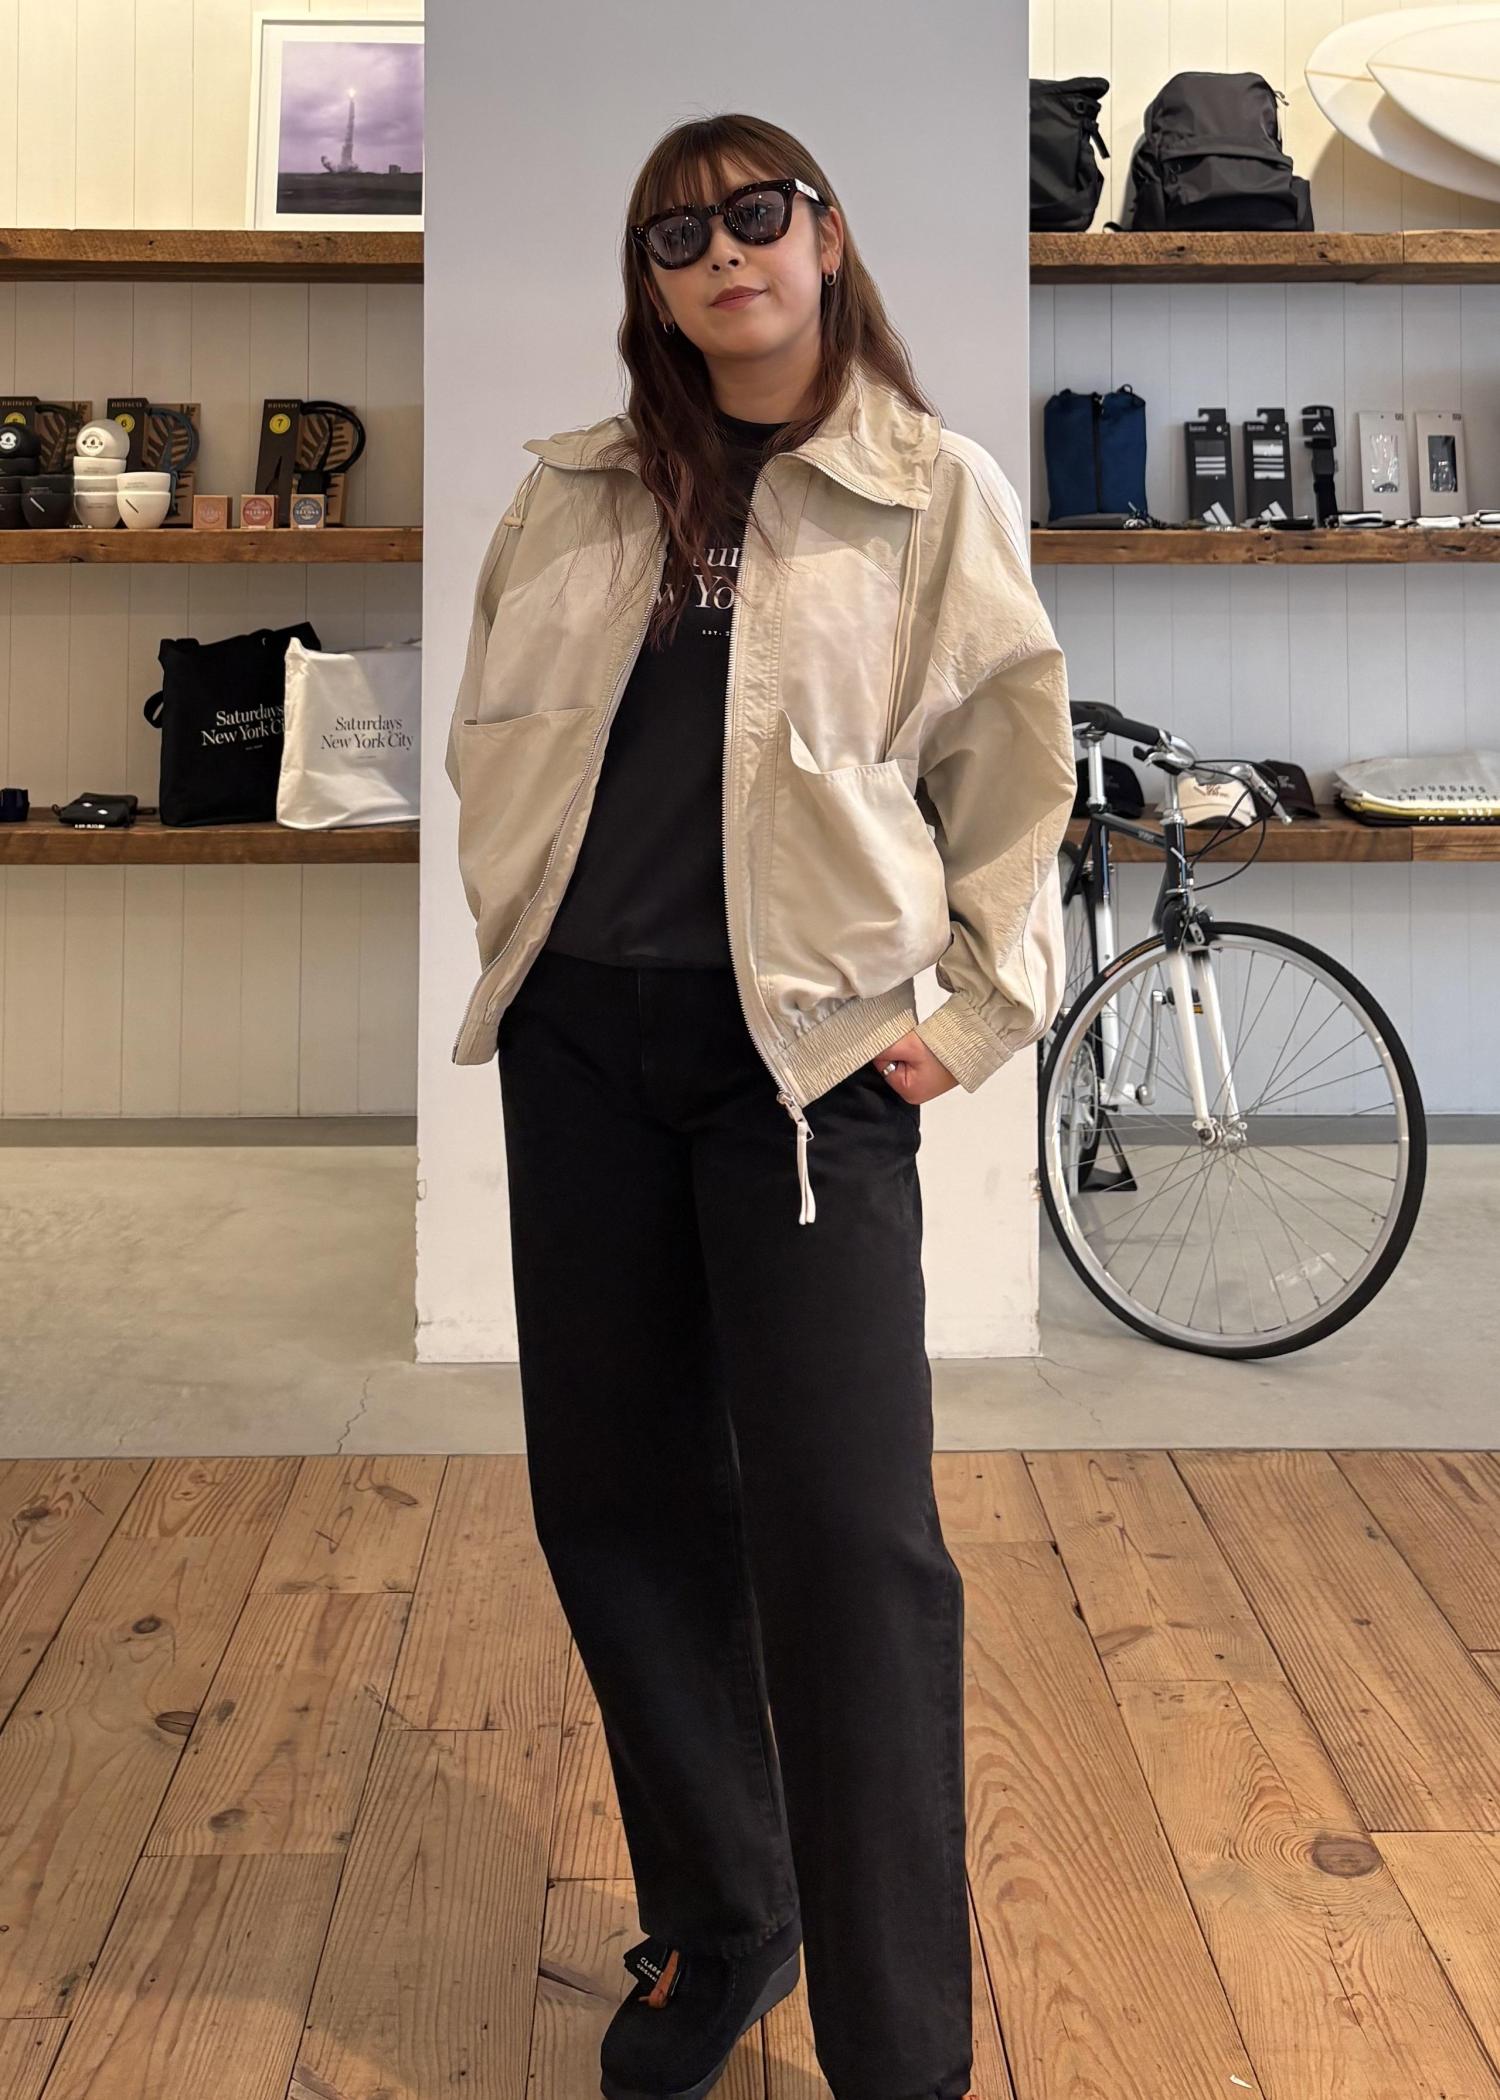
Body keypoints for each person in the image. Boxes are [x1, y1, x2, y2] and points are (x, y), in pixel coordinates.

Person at [445, 113, 1076, 2100]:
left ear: (825, 236)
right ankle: (730, 1923)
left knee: (851, 1542)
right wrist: (524, 944)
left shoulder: (928, 489)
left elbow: (1017, 769)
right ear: (648, 282)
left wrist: (974, 1013)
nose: (723, 253)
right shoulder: (573, 491)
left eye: (755, 214)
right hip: (583, 1049)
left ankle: (901, 2052)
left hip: (802, 1070)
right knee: (615, 1502)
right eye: (678, 234)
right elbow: (495, 737)